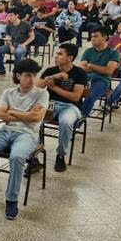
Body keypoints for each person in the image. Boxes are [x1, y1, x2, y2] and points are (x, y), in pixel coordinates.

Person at [0, 59, 48, 220]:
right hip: (6, 130)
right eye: (28, 75)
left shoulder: (41, 93)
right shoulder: (8, 93)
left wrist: (12, 111)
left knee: (17, 157)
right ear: (18, 75)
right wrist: (25, 114)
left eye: (34, 75)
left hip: (28, 134)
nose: (32, 79)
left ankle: (11, 199)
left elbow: (36, 118)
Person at [36, 44, 87, 172]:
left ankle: (60, 155)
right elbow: (37, 87)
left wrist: (53, 87)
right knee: (33, 119)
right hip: (50, 105)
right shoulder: (51, 71)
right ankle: (35, 155)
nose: (56, 56)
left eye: (60, 54)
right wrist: (54, 76)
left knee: (65, 122)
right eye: (56, 53)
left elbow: (75, 97)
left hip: (70, 107)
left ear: (70, 58)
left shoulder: (79, 73)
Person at [78, 26, 120, 116]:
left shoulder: (113, 53)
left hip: (102, 81)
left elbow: (108, 71)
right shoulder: (88, 51)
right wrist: (100, 68)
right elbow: (81, 68)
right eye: (92, 36)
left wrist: (90, 65)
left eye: (95, 36)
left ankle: (80, 119)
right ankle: (74, 114)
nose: (92, 39)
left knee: (90, 97)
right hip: (86, 79)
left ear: (104, 38)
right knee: (72, 92)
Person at [0, 8, 34, 75]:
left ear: (17, 15)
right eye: (8, 16)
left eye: (11, 15)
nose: (9, 17)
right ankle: (1, 70)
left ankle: (16, 72)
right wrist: (11, 46)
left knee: (18, 52)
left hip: (22, 45)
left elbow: (32, 36)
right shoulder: (8, 26)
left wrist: (24, 44)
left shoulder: (26, 24)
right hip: (12, 44)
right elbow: (8, 38)